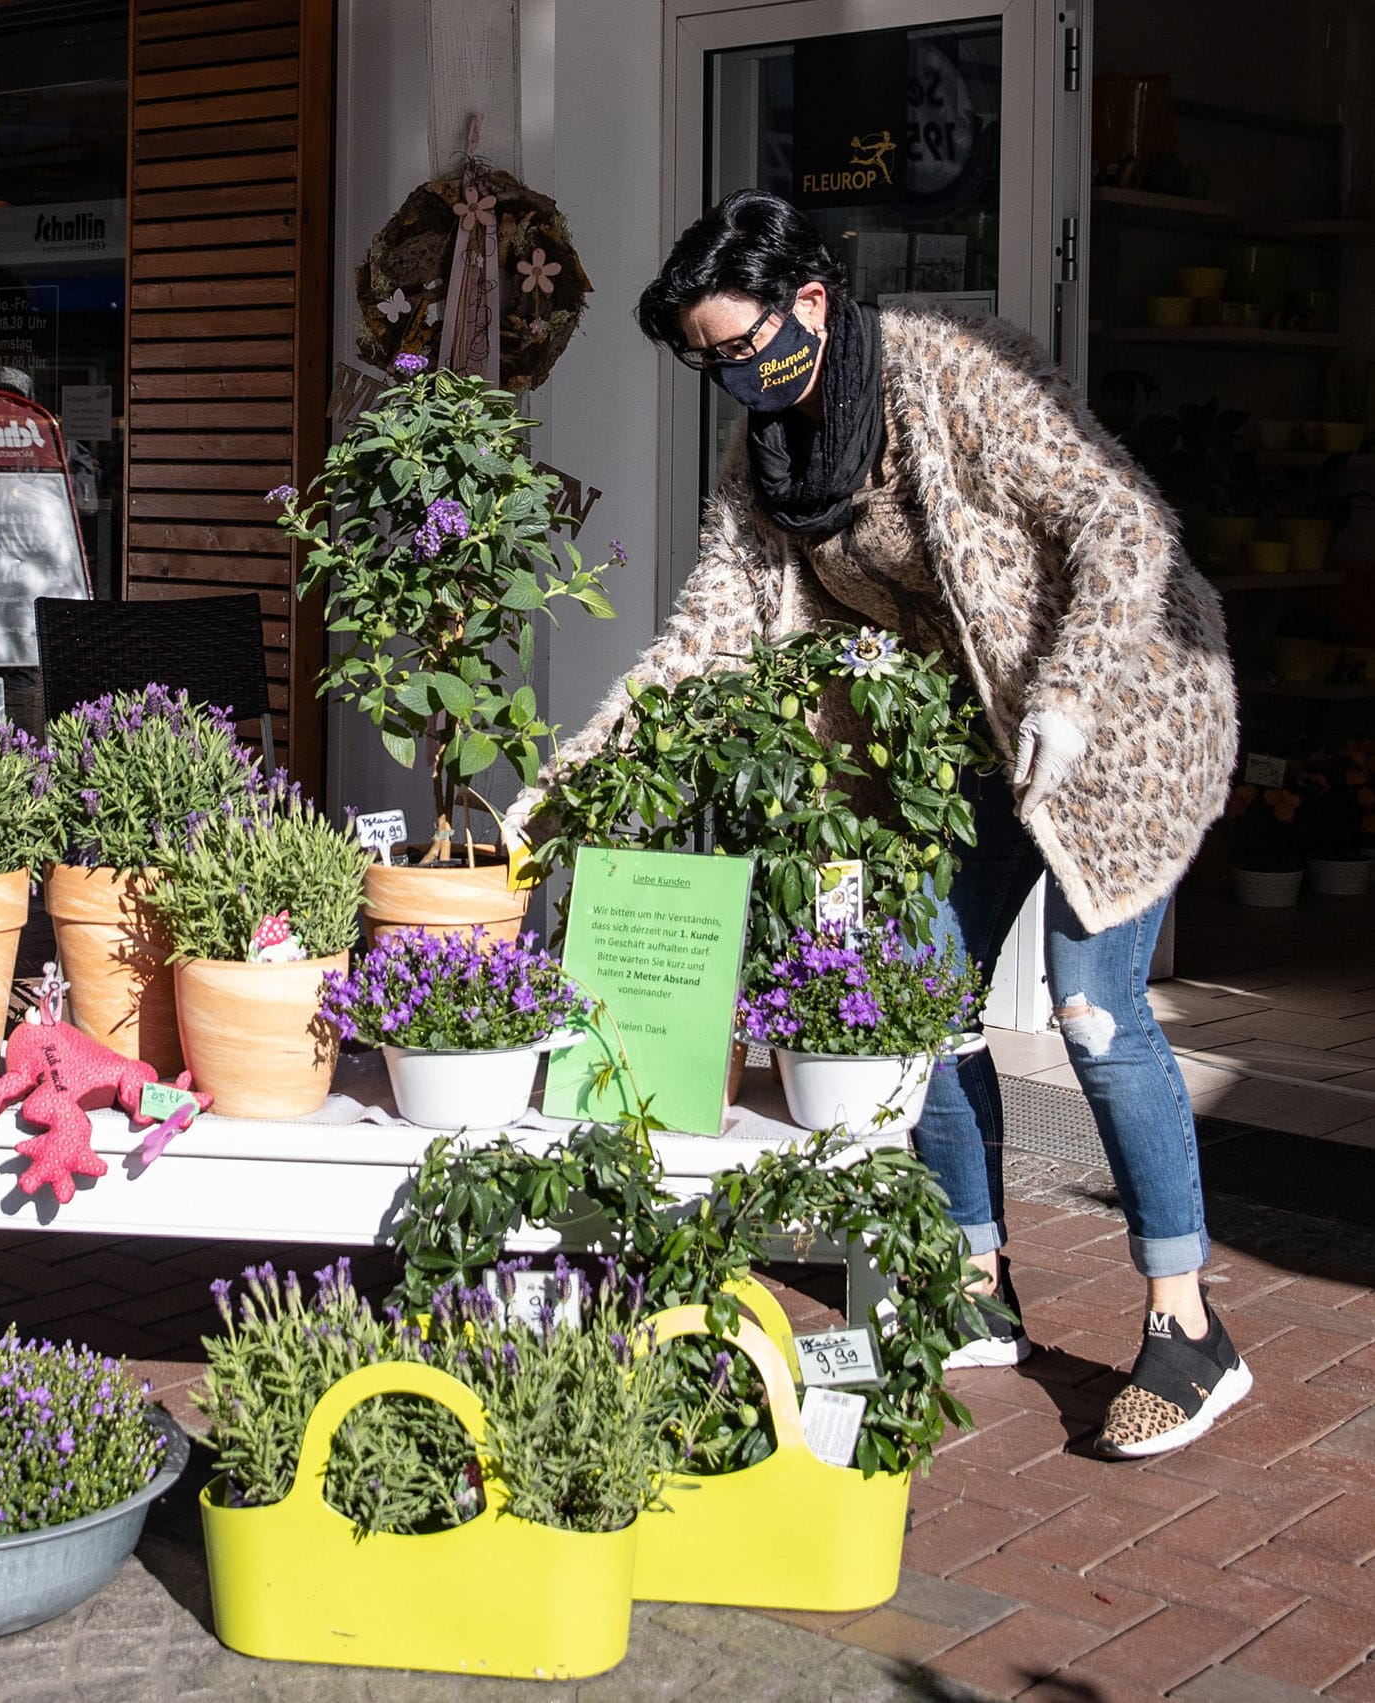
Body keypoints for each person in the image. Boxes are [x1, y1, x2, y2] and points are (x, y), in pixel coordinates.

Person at [513, 190, 1247, 1459]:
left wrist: (1069, 695)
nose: (735, 378)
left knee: (1090, 1005)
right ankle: (975, 1277)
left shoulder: (952, 373)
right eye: (709, 361)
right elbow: (707, 637)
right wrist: (564, 785)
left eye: (742, 346)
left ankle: (1187, 1327)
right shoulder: (773, 460)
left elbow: (1118, 521)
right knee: (914, 992)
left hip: (1122, 706)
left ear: (809, 300)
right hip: (978, 734)